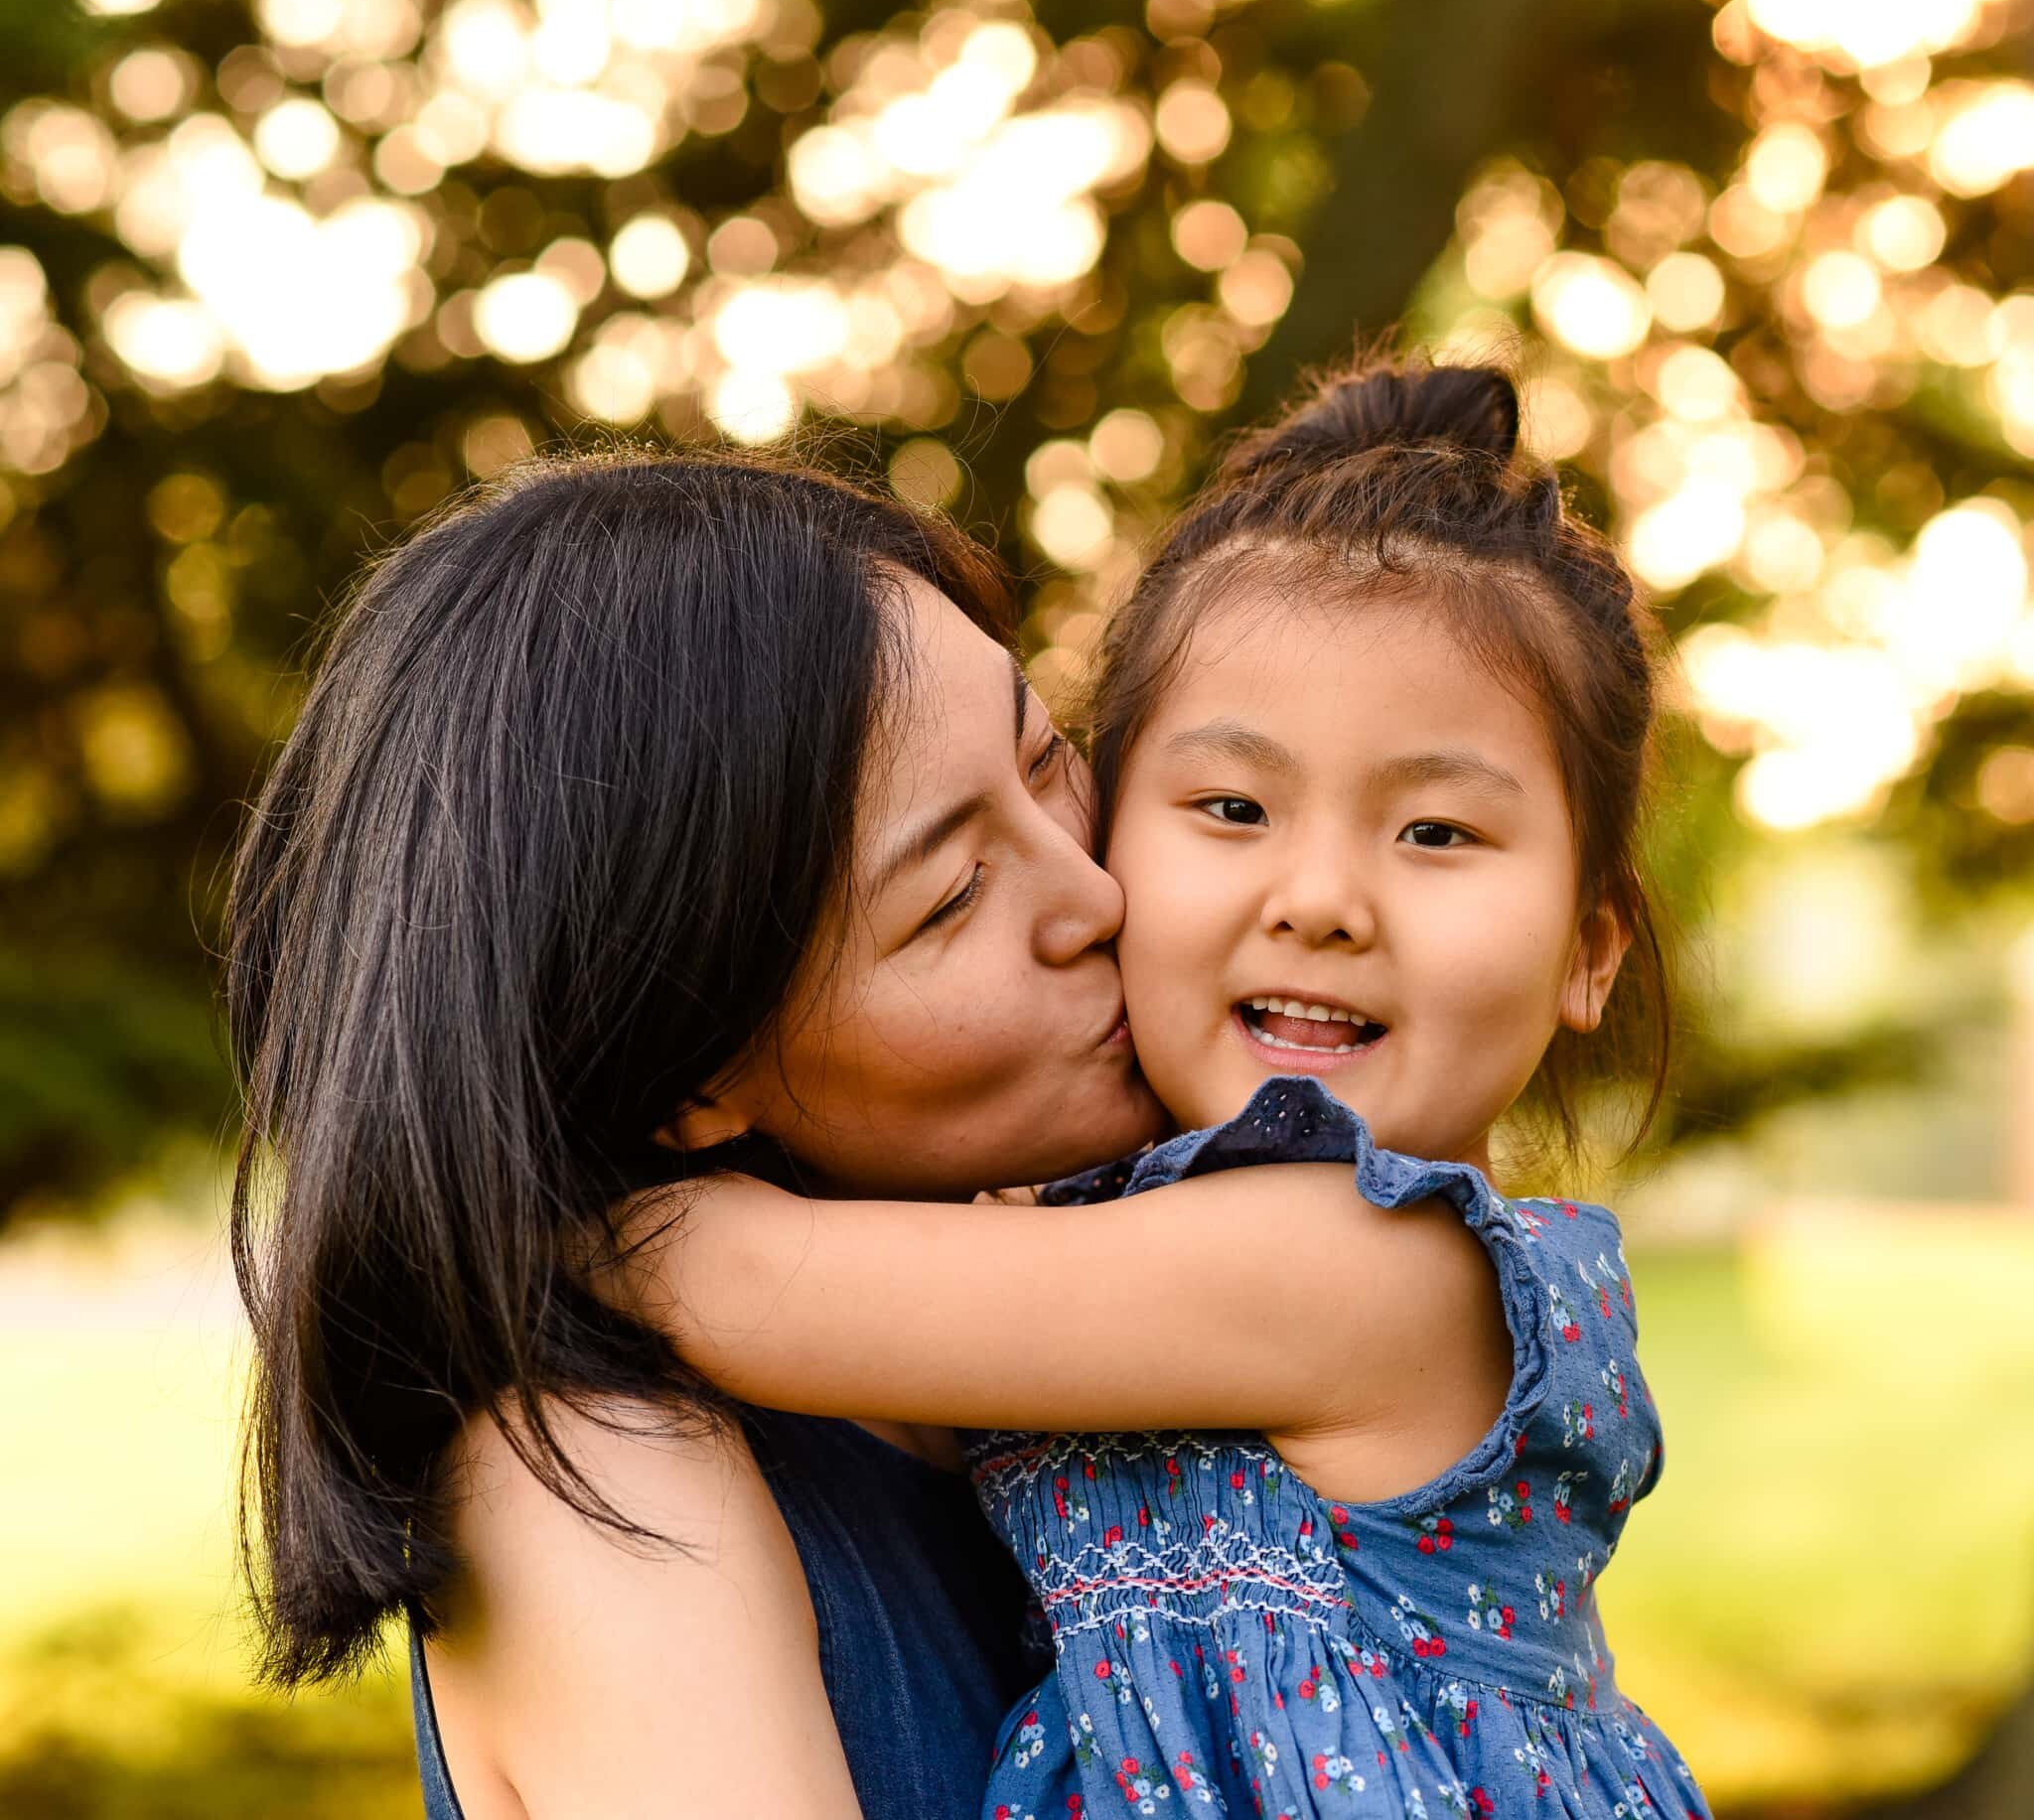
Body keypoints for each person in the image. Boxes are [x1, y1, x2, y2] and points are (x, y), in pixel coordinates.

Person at [605, 356, 1714, 1817]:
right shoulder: (1117, 1240)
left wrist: (497, 1189)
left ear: (1588, 951)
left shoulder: (1374, 1269)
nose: (1321, 899)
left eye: (1438, 832)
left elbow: (740, 1282)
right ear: (1111, 833)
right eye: (1234, 809)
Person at [224, 452, 1168, 1817]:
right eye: (953, 893)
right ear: (684, 1066)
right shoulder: (598, 1474)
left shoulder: (1041, 1323)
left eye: (1050, 755)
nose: (1094, 894)